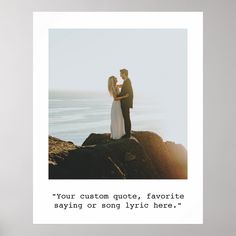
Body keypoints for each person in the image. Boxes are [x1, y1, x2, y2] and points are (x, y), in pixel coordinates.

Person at [116, 68, 134, 138]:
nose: (120, 76)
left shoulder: (127, 81)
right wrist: (117, 86)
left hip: (125, 103)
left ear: (124, 74)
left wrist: (116, 96)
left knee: (126, 118)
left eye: (121, 74)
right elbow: (124, 87)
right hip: (126, 103)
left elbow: (124, 92)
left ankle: (128, 134)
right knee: (126, 118)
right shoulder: (127, 81)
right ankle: (127, 132)